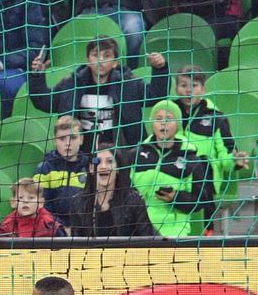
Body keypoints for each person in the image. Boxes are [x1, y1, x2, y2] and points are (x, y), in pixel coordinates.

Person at [30, 36, 169, 152]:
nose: (100, 60)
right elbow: (44, 102)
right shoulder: (71, 84)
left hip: (122, 155)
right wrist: (37, 77)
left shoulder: (128, 84)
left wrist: (160, 69)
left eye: (106, 56)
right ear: (87, 59)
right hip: (80, 156)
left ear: (115, 63)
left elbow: (155, 95)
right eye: (96, 55)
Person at [173, 65, 249, 228]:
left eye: (194, 86)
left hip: (203, 179)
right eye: (183, 85)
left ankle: (206, 233)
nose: (188, 90)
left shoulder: (216, 117)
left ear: (203, 89)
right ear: (177, 88)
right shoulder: (170, 112)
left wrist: (235, 161)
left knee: (201, 165)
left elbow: (225, 156)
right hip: (174, 174)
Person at [130, 100, 214, 237]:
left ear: (178, 124)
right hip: (138, 225)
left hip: (175, 229)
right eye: (159, 119)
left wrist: (176, 197)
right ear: (152, 124)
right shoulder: (135, 155)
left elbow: (199, 201)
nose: (163, 123)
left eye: (169, 119)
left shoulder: (192, 159)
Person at [69, 143, 156, 237]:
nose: (103, 166)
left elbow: (146, 240)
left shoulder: (134, 201)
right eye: (98, 161)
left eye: (109, 161)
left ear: (118, 168)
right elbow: (76, 244)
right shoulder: (78, 203)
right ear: (91, 168)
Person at [33, 116, 89, 227]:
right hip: (52, 229)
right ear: (55, 140)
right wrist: (60, 227)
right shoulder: (44, 169)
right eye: (62, 139)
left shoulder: (90, 168)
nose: (67, 143)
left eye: (72, 138)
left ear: (81, 139)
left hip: (83, 227)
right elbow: (41, 205)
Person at [0, 177, 65, 238]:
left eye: (31, 197)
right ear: (13, 202)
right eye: (20, 198)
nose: (25, 201)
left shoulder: (50, 225)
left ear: (41, 203)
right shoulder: (6, 226)